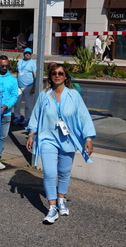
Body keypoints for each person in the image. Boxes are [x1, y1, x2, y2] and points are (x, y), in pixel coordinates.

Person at [25, 63, 95, 224]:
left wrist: (88, 138)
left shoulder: (73, 95)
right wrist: (31, 134)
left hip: (68, 139)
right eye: (54, 73)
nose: (57, 76)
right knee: (49, 173)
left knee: (64, 172)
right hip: (48, 139)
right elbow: (36, 115)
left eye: (60, 73)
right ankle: (52, 207)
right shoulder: (44, 95)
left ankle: (61, 198)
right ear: (50, 77)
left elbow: (84, 116)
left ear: (65, 76)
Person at [13, 48, 37, 126]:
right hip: (19, 86)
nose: (27, 54)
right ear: (23, 53)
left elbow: (35, 76)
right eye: (26, 53)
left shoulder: (33, 63)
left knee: (28, 105)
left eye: (29, 53)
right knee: (17, 103)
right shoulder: (20, 61)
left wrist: (34, 87)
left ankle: (27, 118)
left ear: (31, 54)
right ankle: (17, 117)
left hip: (29, 86)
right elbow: (17, 72)